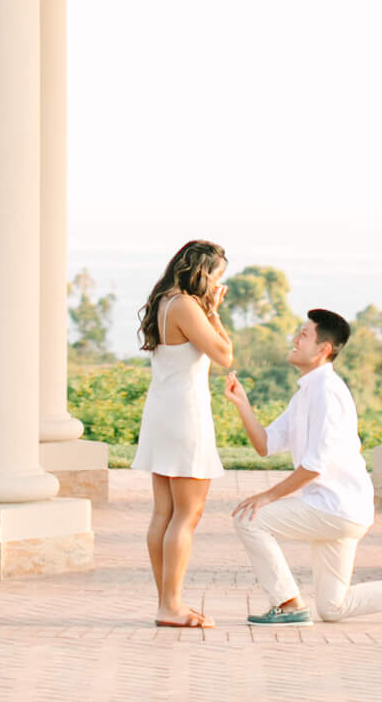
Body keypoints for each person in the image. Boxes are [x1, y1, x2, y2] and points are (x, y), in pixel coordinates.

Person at [225, 309, 382, 625]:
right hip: (337, 508)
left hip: (336, 507)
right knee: (333, 608)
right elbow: (265, 444)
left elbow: (314, 467)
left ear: (323, 349)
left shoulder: (328, 393)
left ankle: (288, 605)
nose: (295, 339)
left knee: (250, 519)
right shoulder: (306, 393)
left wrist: (266, 497)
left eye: (304, 334)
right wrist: (242, 405)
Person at [131, 238, 234, 628]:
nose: (215, 286)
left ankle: (166, 603)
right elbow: (225, 356)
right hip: (184, 416)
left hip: (162, 413)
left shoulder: (165, 302)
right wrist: (214, 314)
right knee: (187, 514)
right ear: (203, 273)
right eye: (216, 277)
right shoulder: (187, 306)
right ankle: (170, 605)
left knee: (165, 512)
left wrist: (213, 313)